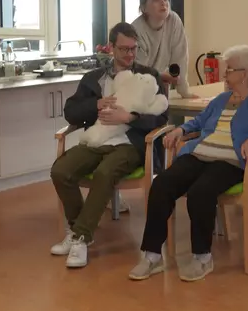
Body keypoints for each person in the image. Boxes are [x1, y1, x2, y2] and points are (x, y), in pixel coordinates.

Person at [128, 45, 248, 282]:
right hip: (199, 154)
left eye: (229, 69)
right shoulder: (221, 99)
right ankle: (152, 255)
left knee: (201, 192)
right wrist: (181, 130)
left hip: (232, 161)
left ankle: (202, 257)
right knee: (162, 185)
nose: (224, 74)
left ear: (244, 74)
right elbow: (199, 121)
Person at [50, 22, 168, 268]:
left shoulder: (148, 76)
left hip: (130, 143)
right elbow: (71, 112)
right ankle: (77, 229)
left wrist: (130, 118)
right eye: (124, 49)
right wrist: (95, 105)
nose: (130, 55)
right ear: (111, 47)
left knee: (105, 173)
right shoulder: (94, 78)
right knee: (60, 170)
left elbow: (162, 117)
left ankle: (81, 238)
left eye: (133, 49)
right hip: (96, 138)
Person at [131, 0, 197, 98]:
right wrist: (161, 76)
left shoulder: (173, 20)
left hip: (159, 86)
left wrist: (184, 91)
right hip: (137, 89)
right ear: (143, 8)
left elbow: (180, 57)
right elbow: (139, 71)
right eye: (156, 0)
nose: (163, 3)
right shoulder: (136, 30)